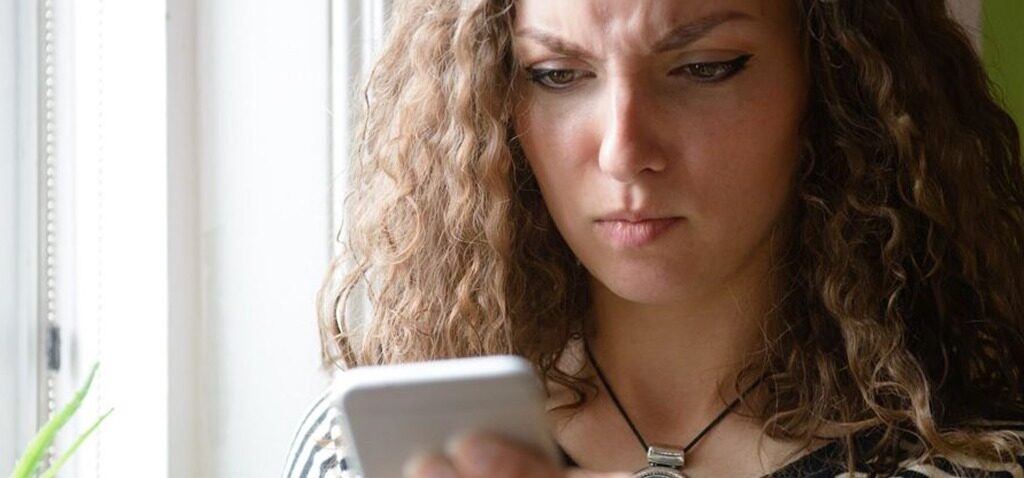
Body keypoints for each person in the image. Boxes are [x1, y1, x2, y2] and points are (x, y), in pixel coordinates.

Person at [283, 0, 1024, 476]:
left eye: (703, 68)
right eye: (557, 74)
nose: (623, 150)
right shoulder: (366, 450)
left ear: (834, 82)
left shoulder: (976, 454)